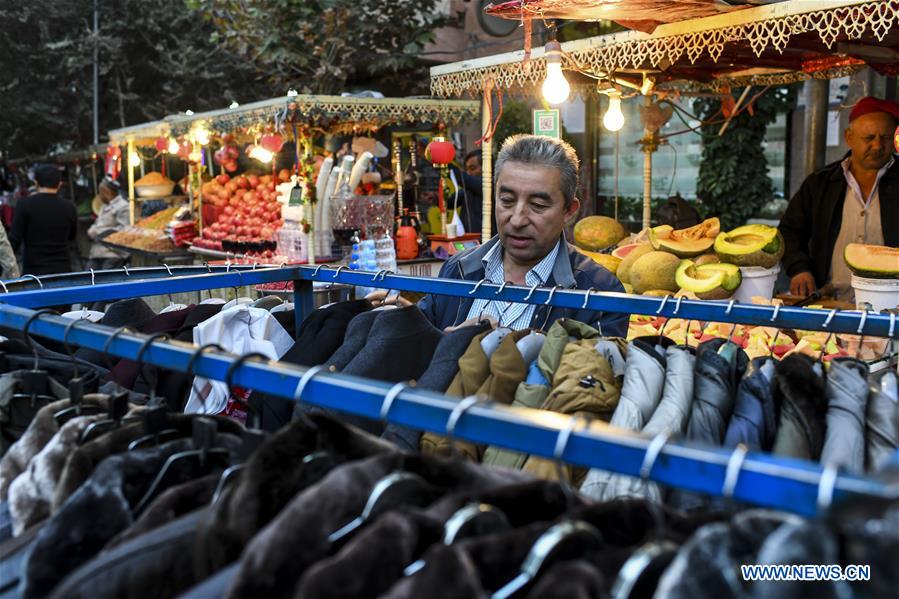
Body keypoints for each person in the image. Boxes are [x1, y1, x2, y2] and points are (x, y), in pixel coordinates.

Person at [370, 134, 627, 336]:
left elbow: (587, 392)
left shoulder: (599, 295)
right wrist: (406, 319)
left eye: (538, 205)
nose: (517, 219)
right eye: (506, 200)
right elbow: (428, 339)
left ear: (568, 211)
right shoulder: (458, 269)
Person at [779, 96, 899, 300]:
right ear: (849, 137)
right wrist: (799, 268)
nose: (878, 146)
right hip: (828, 300)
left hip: (891, 304)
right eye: (869, 138)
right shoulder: (820, 183)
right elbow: (789, 232)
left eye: (886, 138)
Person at [8, 163, 77, 276]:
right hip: (63, 271)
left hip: (34, 274)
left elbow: (14, 239)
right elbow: (72, 237)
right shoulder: (69, 207)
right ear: (59, 184)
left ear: (36, 183)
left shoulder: (24, 205)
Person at [87, 177, 131, 270]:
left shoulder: (123, 206)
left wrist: (97, 232)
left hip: (113, 254)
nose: (99, 195)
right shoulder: (104, 206)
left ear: (105, 191)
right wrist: (93, 230)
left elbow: (124, 230)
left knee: (106, 280)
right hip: (97, 253)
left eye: (100, 192)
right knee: (88, 278)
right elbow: (97, 224)